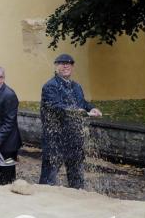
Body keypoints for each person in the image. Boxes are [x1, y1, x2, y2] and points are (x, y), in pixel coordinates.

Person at [38, 53, 102, 189]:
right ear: (56, 67)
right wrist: (75, 111)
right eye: (62, 63)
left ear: (72, 67)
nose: (66, 65)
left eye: (69, 63)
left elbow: (82, 103)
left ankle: (77, 197)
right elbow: (55, 106)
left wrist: (92, 108)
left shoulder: (76, 86)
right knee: (49, 177)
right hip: (55, 139)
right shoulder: (50, 86)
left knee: (76, 177)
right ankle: (44, 200)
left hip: (74, 138)